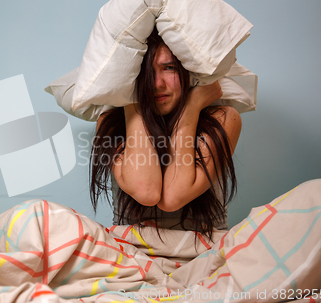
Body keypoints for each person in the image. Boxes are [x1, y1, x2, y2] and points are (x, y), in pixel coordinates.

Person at [90, 28, 242, 240]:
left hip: (204, 253)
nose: (157, 84)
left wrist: (191, 108)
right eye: (145, 73)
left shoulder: (224, 118)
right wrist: (130, 98)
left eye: (169, 68)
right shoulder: (111, 122)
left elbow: (172, 196)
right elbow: (146, 191)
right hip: (133, 254)